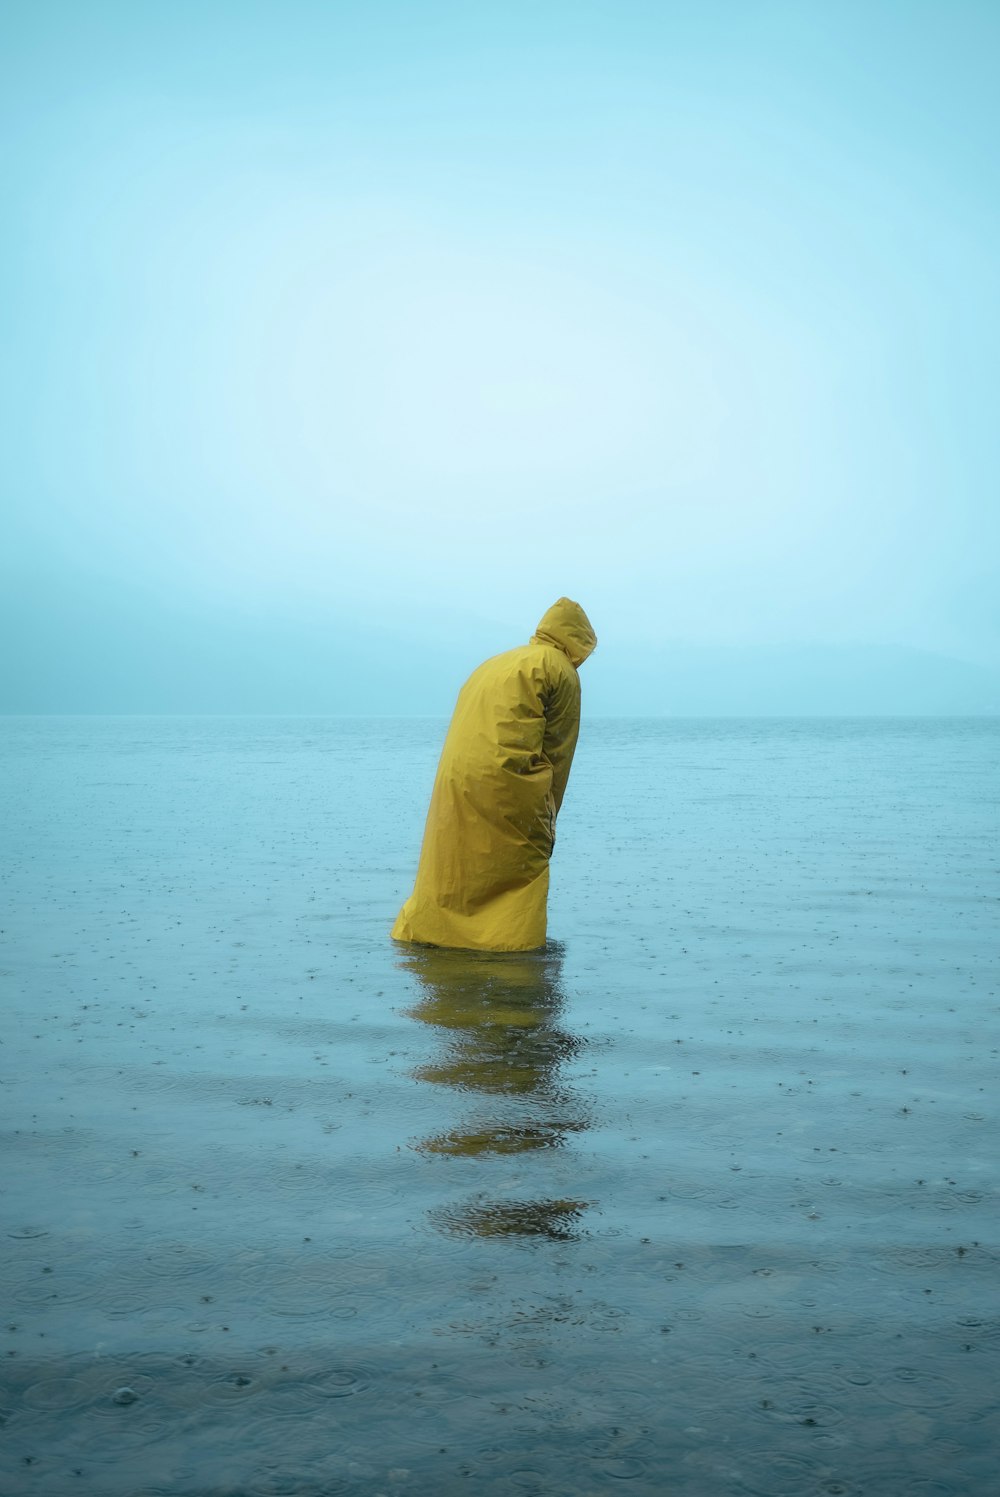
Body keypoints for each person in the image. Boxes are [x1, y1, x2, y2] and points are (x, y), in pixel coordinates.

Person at [391, 597, 597, 952]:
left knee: (455, 857)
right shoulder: (560, 670)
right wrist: (547, 819)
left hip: (456, 777)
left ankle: (435, 933)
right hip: (509, 779)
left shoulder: (495, 663)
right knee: (522, 865)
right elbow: (558, 751)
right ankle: (511, 953)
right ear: (580, 640)